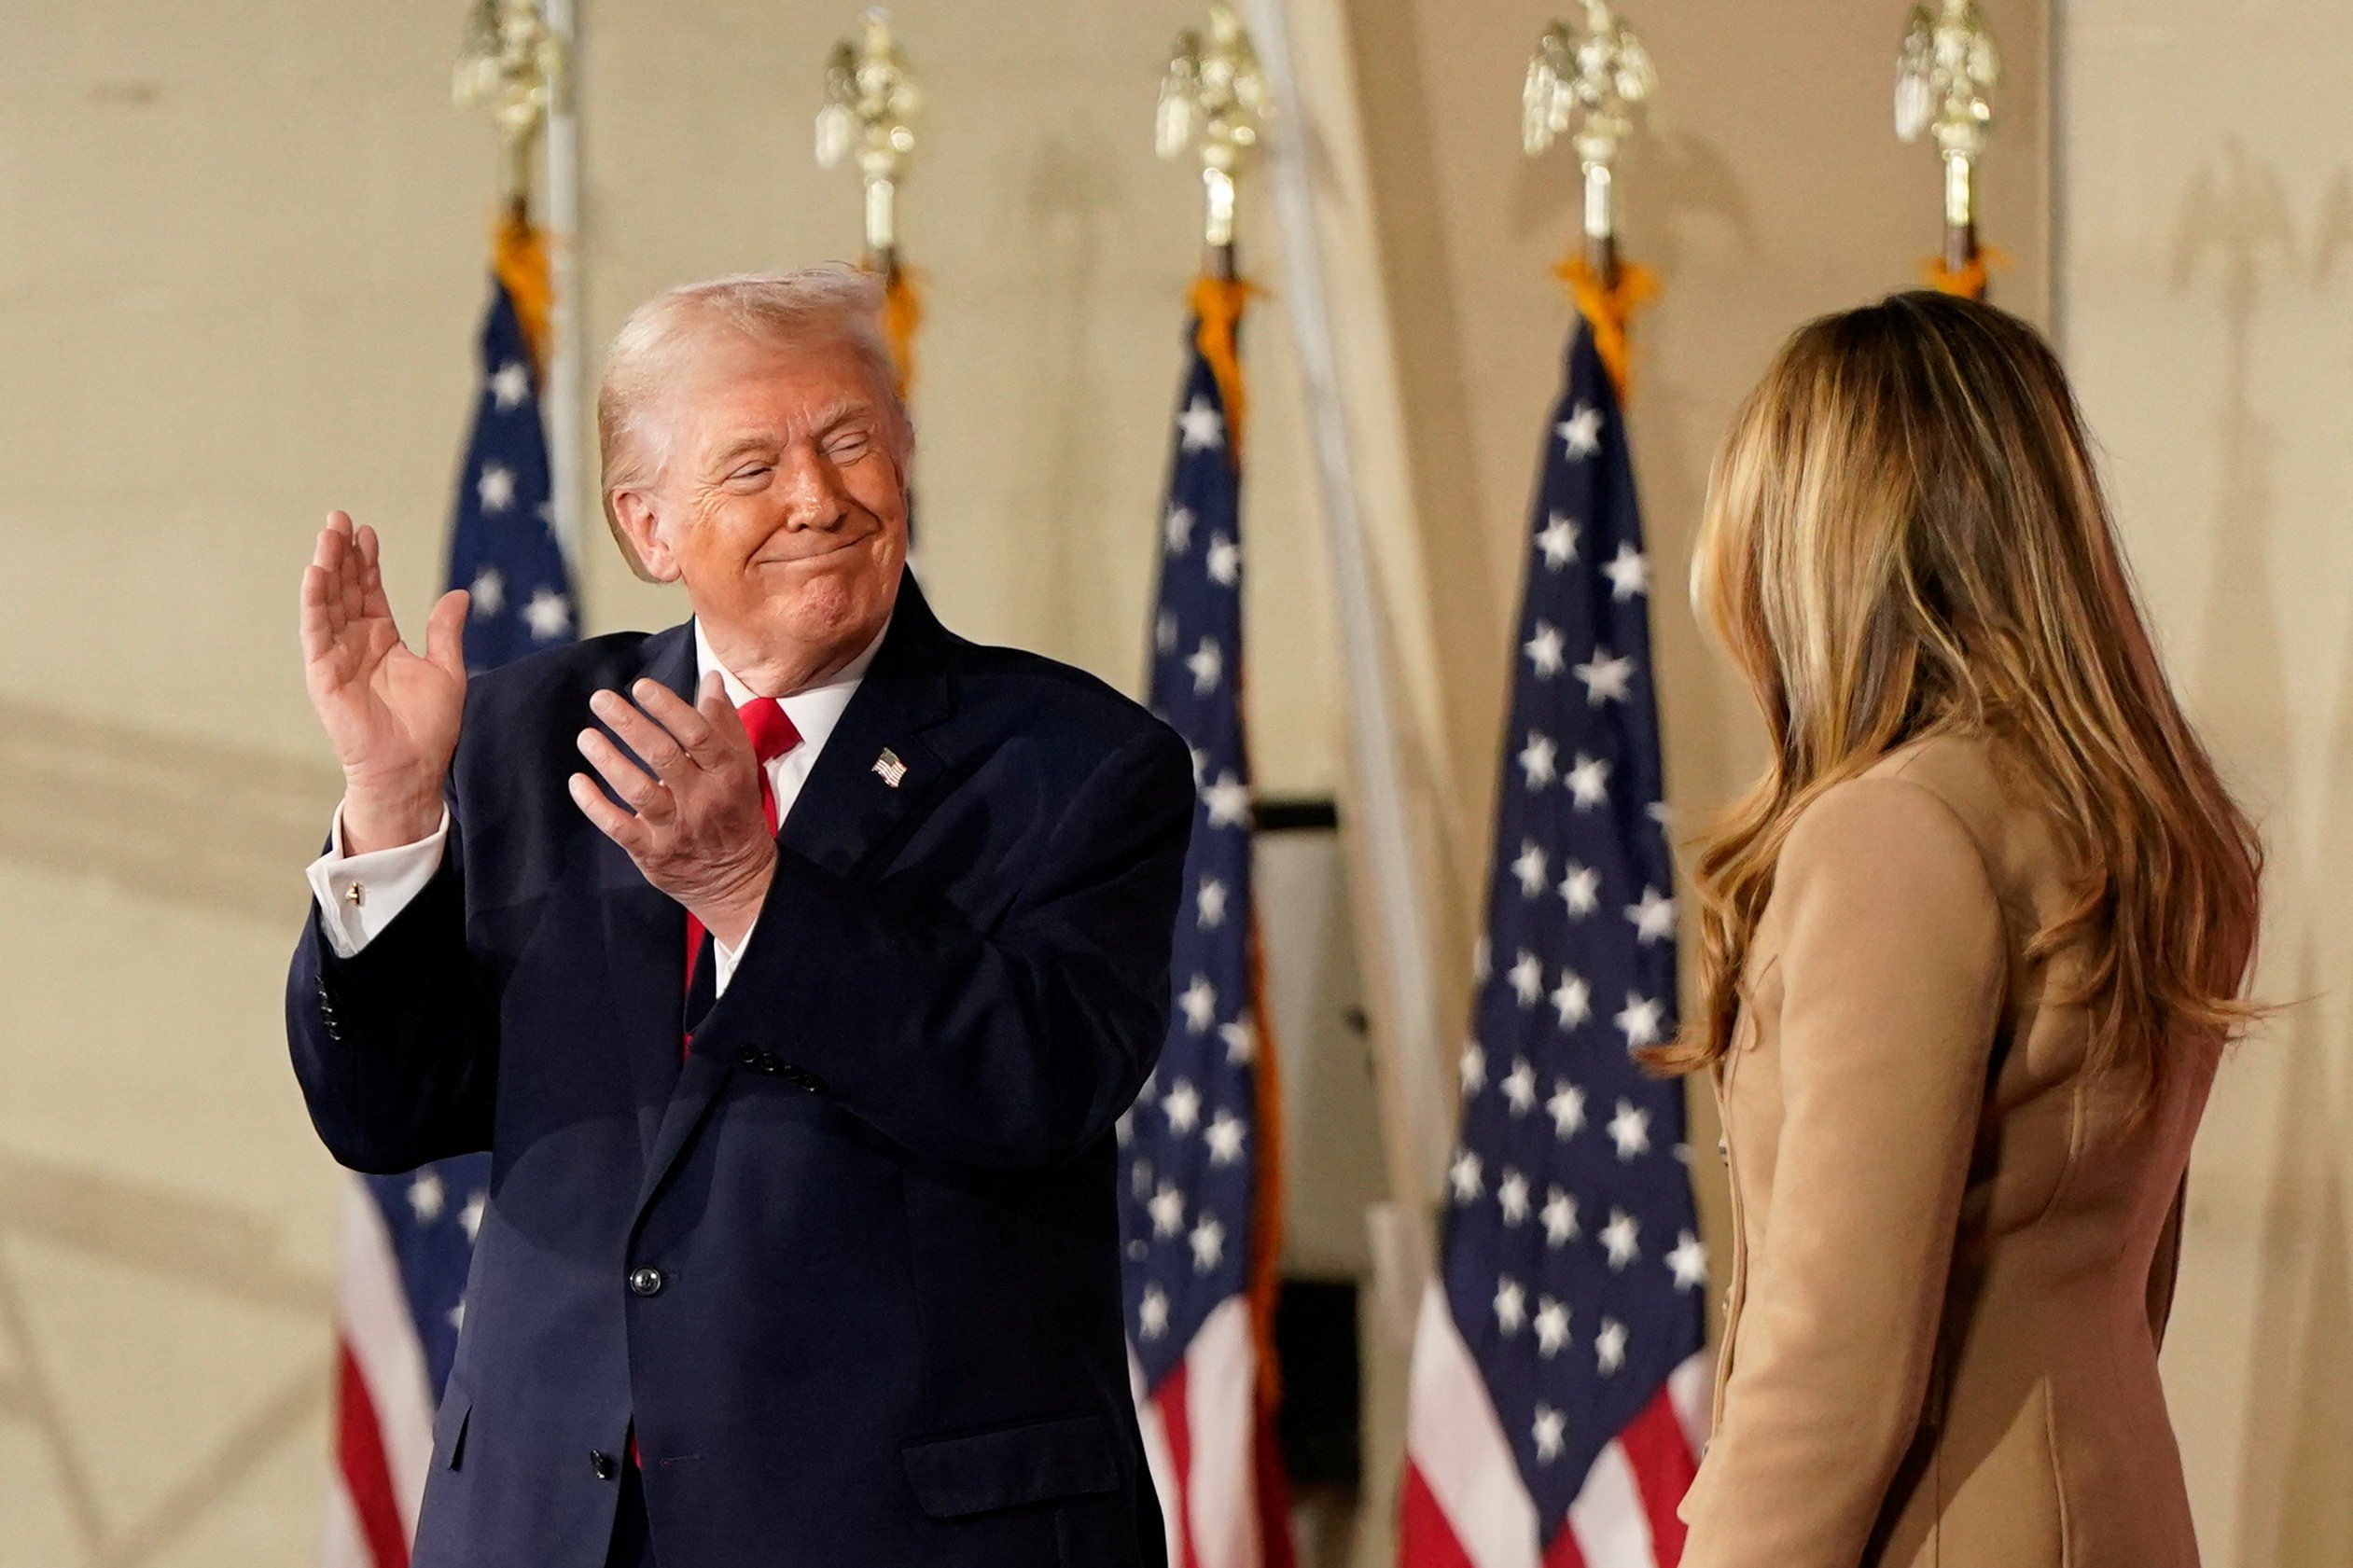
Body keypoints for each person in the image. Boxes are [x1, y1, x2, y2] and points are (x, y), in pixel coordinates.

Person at [288, 267, 1191, 1568]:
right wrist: (387, 806)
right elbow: (381, 1111)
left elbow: (1037, 1082)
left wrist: (749, 893)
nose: (819, 498)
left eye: (849, 443)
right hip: (555, 1527)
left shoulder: (1075, 762)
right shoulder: (528, 738)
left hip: (905, 1532)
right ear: (647, 527)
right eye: (753, 466)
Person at [1657, 292, 2264, 1568]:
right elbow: (2118, 1275)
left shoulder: (1895, 831)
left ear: (1818, 546)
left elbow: (1835, 1363)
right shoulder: (2140, 815)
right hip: (2112, 1504)